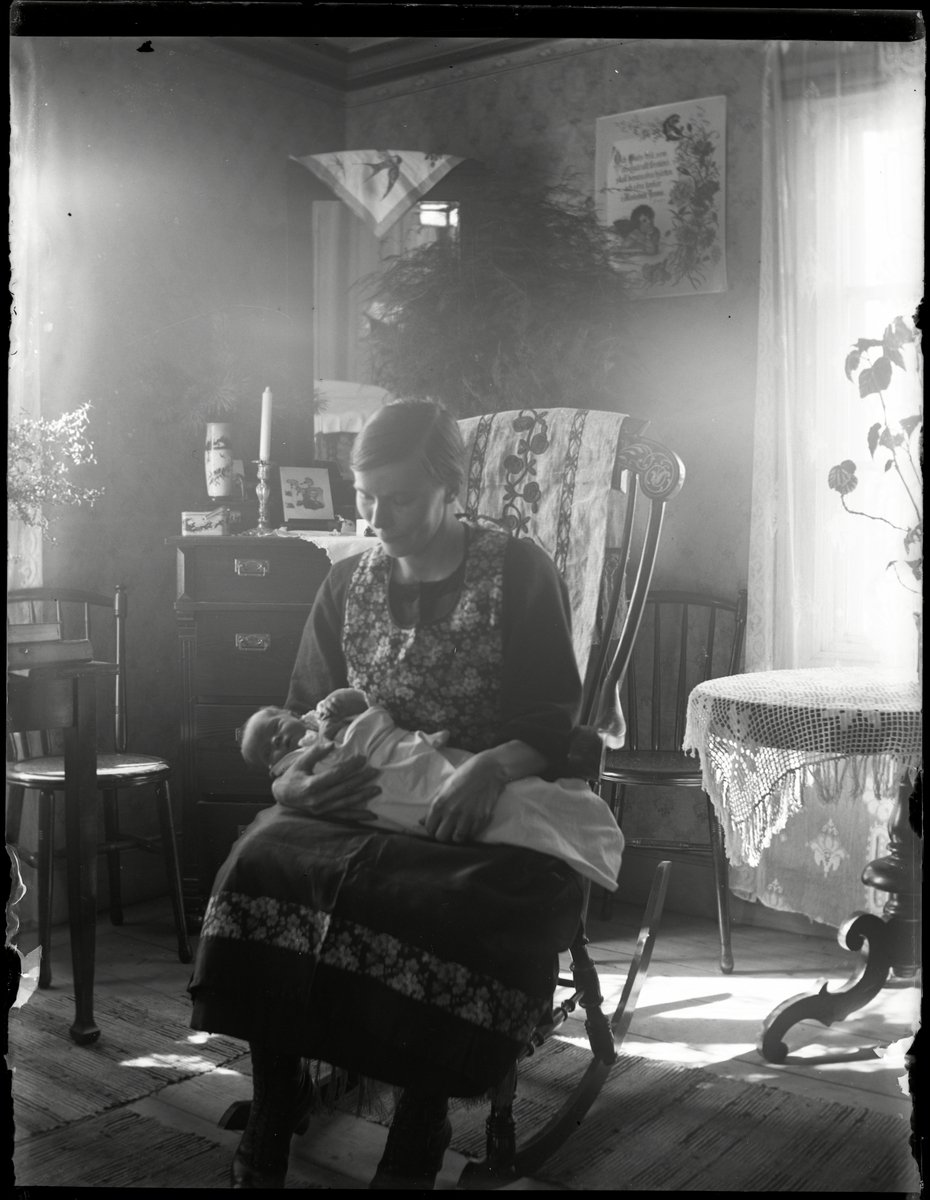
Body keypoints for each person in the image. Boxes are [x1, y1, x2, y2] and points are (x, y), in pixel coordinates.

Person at [189, 400, 589, 1190]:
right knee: (261, 860)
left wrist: (488, 769)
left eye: (399, 498)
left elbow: (552, 717)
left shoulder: (517, 571)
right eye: (365, 496)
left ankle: (420, 1116)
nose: (377, 518)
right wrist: (295, 782)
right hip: (355, 798)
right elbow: (302, 713)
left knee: (442, 903)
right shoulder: (347, 582)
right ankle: (275, 1100)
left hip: (467, 801)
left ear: (451, 488)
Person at [239, 691, 624, 891]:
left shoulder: (524, 571)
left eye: (274, 727)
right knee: (252, 859)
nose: (277, 741)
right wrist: (284, 786)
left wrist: (351, 702)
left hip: (459, 763)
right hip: (385, 799)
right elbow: (322, 756)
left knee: (511, 803)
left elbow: (553, 712)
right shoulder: (296, 755)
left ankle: (577, 824)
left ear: (286, 714)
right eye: (268, 750)